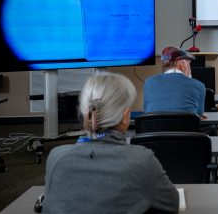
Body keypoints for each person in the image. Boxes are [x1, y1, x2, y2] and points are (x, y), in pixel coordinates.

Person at [43, 73, 179, 214]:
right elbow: (171, 205)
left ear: (83, 113)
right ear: (126, 117)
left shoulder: (56, 156)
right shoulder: (141, 161)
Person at [144, 46, 205, 118]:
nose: (189, 67)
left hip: (154, 128)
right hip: (186, 128)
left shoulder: (149, 82)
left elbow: (146, 110)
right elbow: (199, 113)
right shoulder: (198, 85)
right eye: (188, 63)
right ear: (181, 63)